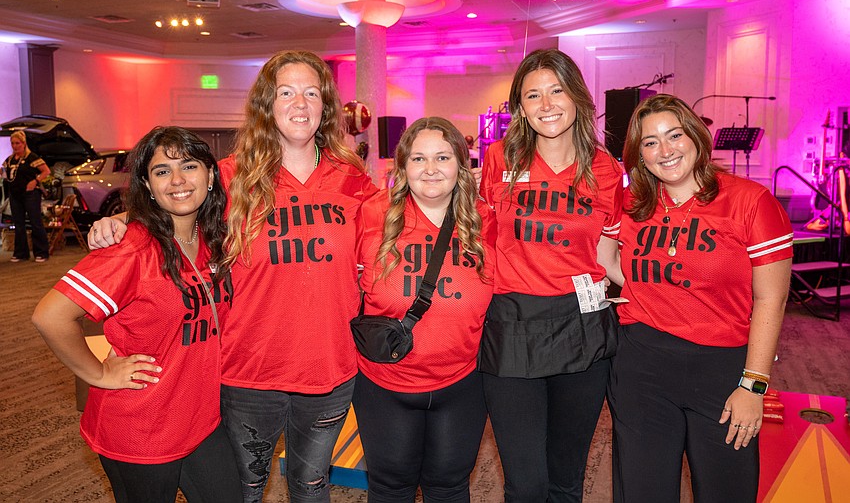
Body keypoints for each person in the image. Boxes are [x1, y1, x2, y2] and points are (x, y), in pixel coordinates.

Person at [88, 50, 378, 503]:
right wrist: (123, 219)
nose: (300, 103)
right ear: (267, 103)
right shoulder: (231, 177)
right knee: (243, 491)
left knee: (311, 487)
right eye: (286, 92)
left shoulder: (351, 179)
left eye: (311, 93)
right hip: (248, 373)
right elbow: (176, 200)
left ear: (325, 106)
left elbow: (400, 221)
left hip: (330, 371)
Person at [31, 127, 241, 503]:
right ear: (147, 183)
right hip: (141, 424)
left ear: (210, 176)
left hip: (200, 417)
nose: (177, 180)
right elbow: (50, 316)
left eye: (189, 166)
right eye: (162, 171)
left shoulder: (212, 237)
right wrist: (98, 373)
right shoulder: (131, 247)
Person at [606, 94, 793, 502]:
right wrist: (643, 289)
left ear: (695, 136)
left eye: (674, 135)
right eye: (650, 143)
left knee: (726, 490)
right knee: (643, 492)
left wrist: (754, 386)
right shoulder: (633, 203)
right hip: (642, 367)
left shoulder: (750, 202)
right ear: (639, 155)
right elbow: (608, 258)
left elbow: (771, 300)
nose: (665, 150)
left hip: (721, 371)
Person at [478, 48, 624, 502]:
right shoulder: (499, 158)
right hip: (512, 323)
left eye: (556, 90)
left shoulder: (606, 168)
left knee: (566, 477)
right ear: (519, 107)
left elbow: (607, 252)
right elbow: (479, 240)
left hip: (581, 324)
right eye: (532, 95)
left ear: (577, 95)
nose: (546, 105)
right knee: (524, 481)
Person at [353, 117, 496, 502]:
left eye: (443, 157)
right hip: (385, 385)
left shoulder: (486, 220)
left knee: (449, 486)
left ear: (460, 167)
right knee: (390, 487)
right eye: (418, 158)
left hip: (461, 383)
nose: (430, 169)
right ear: (403, 167)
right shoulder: (372, 214)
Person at [3, 130, 51, 262]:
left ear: (23, 143)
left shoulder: (32, 157)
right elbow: (6, 175)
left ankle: (41, 252)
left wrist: (35, 181)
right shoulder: (10, 160)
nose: (15, 146)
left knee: (35, 222)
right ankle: (21, 253)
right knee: (18, 223)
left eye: (17, 143)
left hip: (30, 194)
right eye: (12, 143)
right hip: (15, 195)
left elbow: (46, 171)